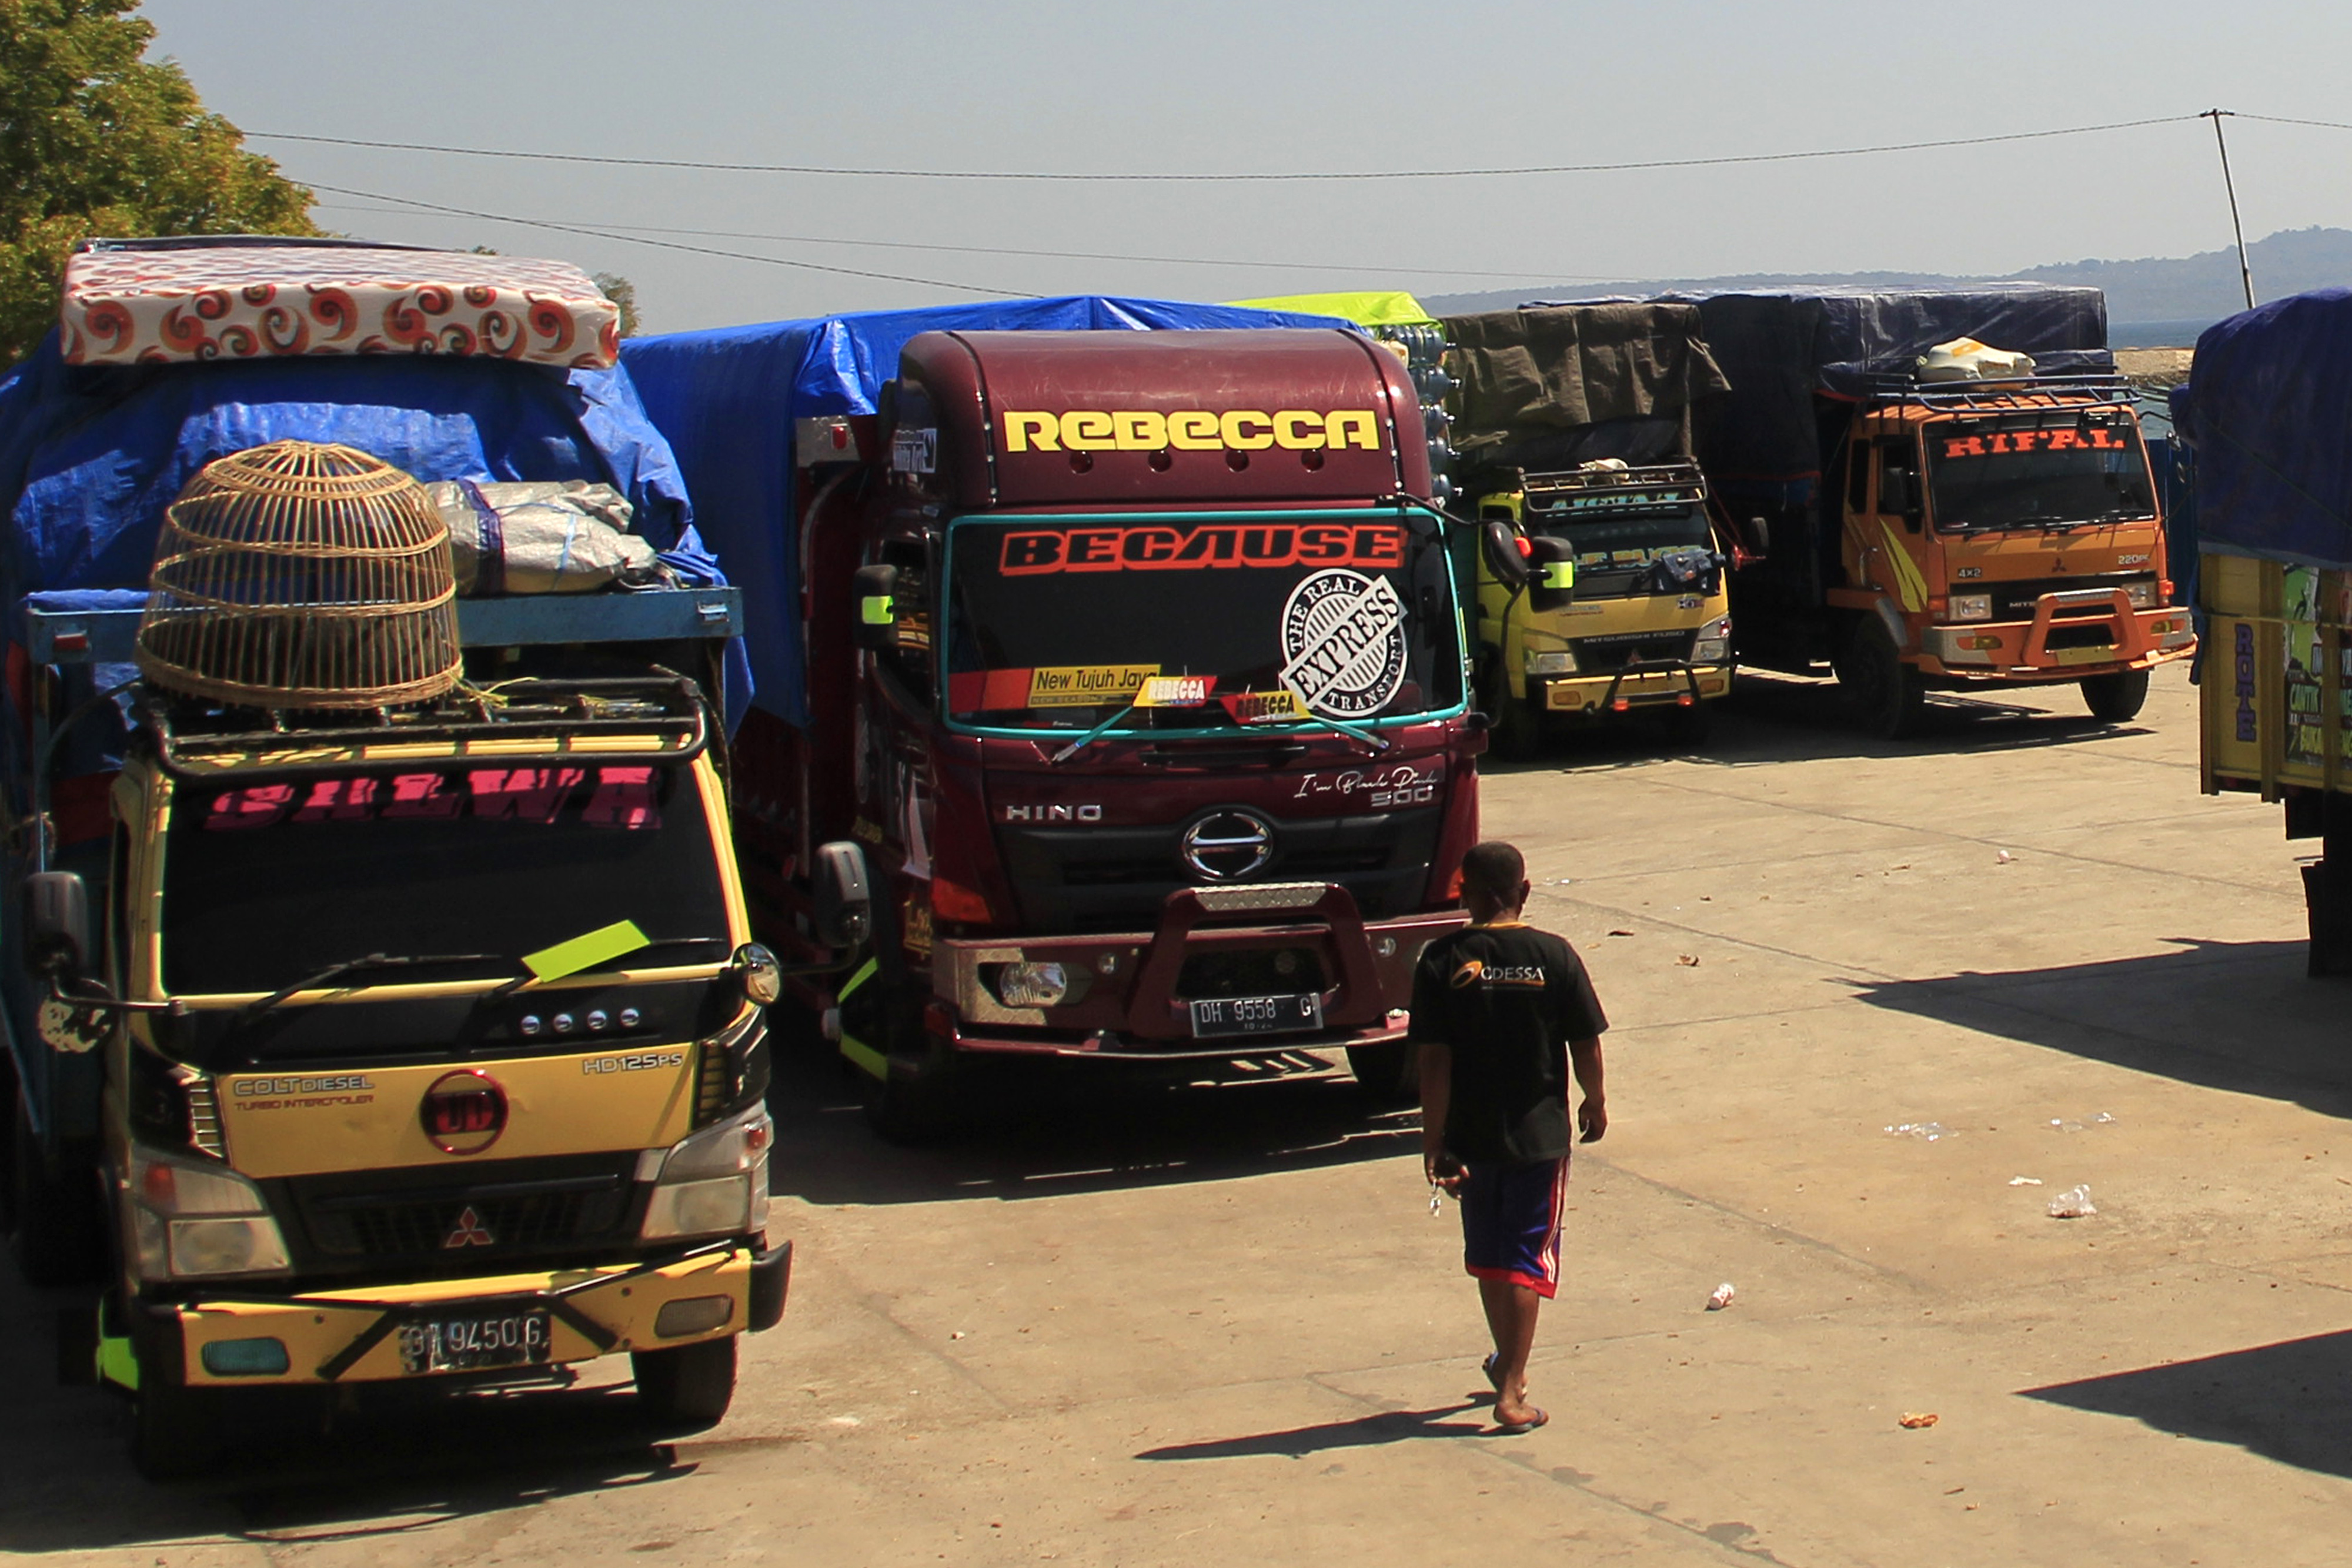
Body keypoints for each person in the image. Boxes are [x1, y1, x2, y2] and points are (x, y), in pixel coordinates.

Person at [1414, 840, 1608, 1434]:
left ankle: (1504, 1362)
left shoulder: (1440, 959)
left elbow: (1434, 1060)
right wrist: (1594, 1100)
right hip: (1538, 1138)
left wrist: (1433, 1139)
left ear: (1464, 893)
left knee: (1491, 1258)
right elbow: (1585, 1041)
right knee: (1526, 1260)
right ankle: (1514, 1387)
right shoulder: (1554, 955)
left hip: (1470, 1138)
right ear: (1523, 891)